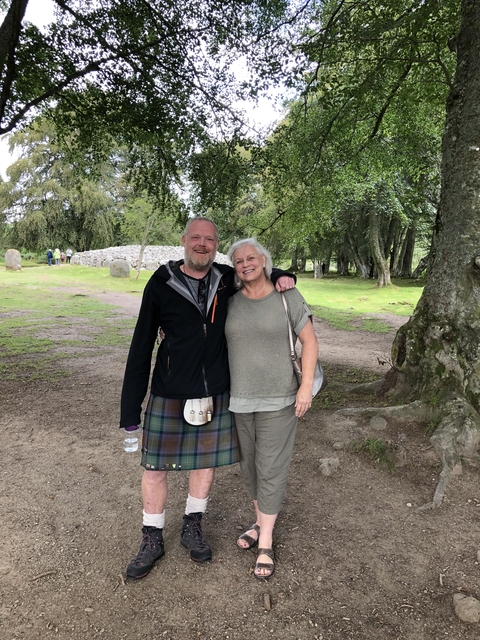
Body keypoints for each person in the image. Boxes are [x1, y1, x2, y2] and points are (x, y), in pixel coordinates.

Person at [120, 217, 295, 580]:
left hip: (214, 389)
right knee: (154, 470)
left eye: (209, 239)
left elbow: (255, 269)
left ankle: (192, 525)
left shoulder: (225, 278)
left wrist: (283, 273)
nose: (202, 244)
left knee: (204, 464)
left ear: (216, 245)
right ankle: (152, 537)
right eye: (195, 238)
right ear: (184, 241)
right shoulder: (161, 281)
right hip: (170, 389)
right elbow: (140, 345)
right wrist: (130, 408)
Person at [225, 238, 318, 580]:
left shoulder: (286, 297)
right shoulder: (229, 302)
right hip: (239, 400)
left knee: (271, 468)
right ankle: (261, 520)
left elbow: (309, 341)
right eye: (238, 261)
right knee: (250, 469)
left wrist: (305, 387)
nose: (245, 264)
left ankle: (266, 539)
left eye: (251, 258)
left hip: (280, 399)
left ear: (264, 260)